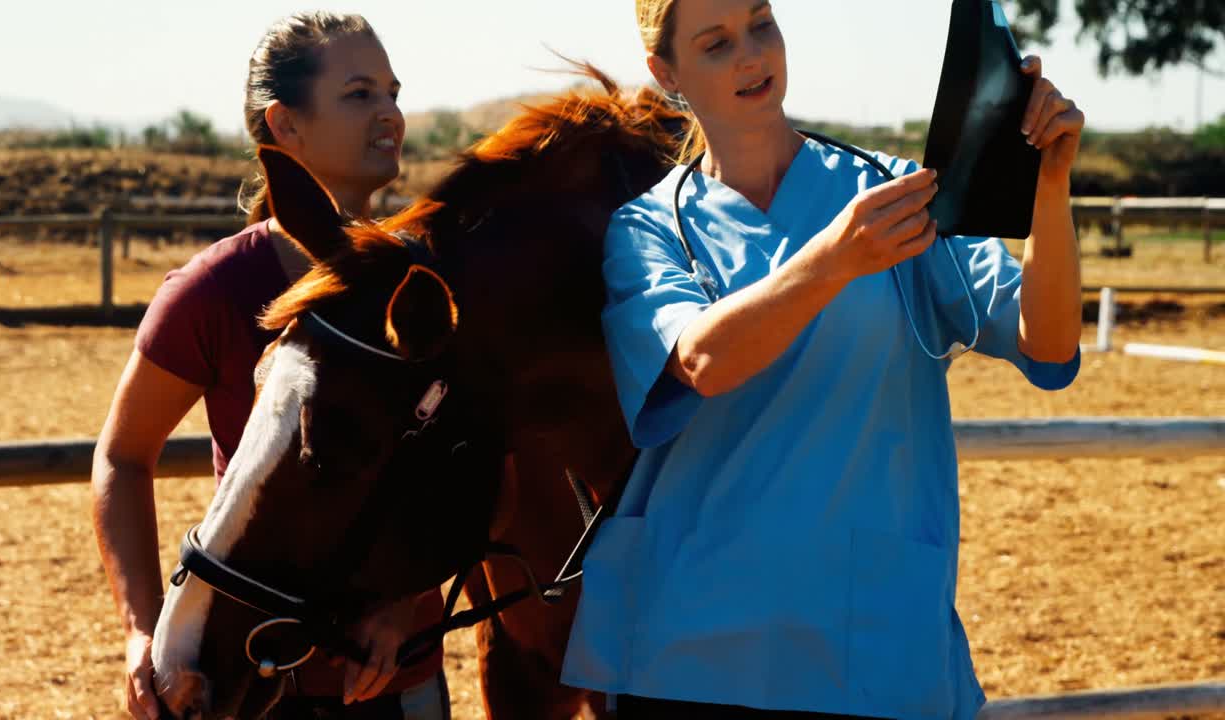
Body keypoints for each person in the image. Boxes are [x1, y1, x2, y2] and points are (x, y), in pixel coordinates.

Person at [562, 1, 1084, 718]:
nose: (751, 55)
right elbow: (703, 360)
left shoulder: (899, 195)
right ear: (666, 72)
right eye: (716, 44)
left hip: (871, 643)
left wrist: (1051, 186)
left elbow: (1049, 345)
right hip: (690, 657)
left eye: (761, 25)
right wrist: (833, 262)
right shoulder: (651, 228)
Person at [91, 12, 448, 720]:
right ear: (285, 125)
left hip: (395, 677)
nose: (391, 113)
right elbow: (124, 457)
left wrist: (403, 604)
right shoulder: (213, 290)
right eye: (359, 94)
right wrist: (140, 629)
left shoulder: (430, 280)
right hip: (244, 678)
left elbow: (462, 465)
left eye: (393, 92)